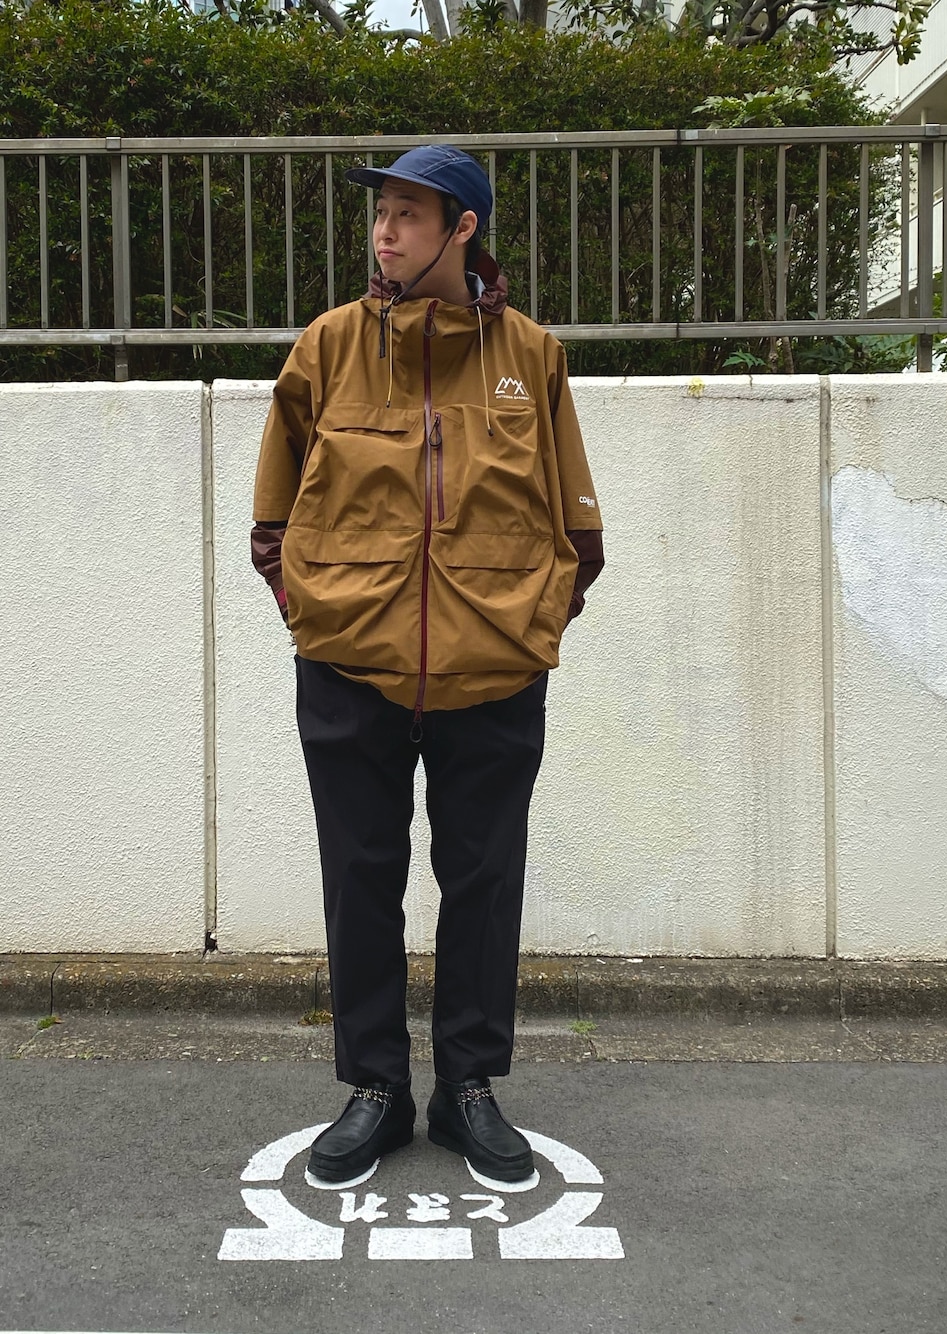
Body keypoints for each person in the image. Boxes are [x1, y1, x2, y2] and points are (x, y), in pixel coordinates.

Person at [251, 145, 604, 1193]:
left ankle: (467, 1088)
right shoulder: (327, 347)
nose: (384, 231)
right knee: (360, 878)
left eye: (408, 212)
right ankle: (374, 1087)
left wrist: (528, 627)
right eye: (381, 214)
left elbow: (578, 531)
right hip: (349, 670)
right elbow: (272, 523)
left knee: (483, 882)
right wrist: (315, 617)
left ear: (463, 228)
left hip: (493, 673)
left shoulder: (531, 355)